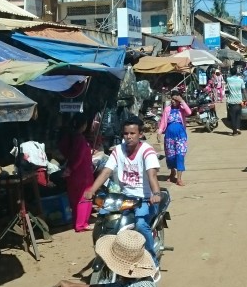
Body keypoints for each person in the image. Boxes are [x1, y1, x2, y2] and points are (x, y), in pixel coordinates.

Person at [84, 116, 164, 263]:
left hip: (144, 199)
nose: (129, 137)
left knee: (141, 225)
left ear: (140, 134)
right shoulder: (118, 151)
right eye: (126, 133)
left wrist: (156, 194)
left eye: (132, 133)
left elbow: (152, 175)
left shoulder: (147, 151)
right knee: (103, 219)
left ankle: (152, 261)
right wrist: (92, 190)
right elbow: (106, 171)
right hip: (123, 198)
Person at [59, 115, 95, 232]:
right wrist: (71, 168)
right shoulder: (80, 139)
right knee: (85, 197)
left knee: (74, 199)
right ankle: (81, 224)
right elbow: (79, 157)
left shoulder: (69, 137)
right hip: (82, 173)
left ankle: (76, 222)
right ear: (84, 125)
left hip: (73, 173)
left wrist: (69, 169)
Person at [158, 94, 191, 186]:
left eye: (175, 99)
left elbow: (189, 112)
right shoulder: (167, 109)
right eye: (172, 99)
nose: (173, 101)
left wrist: (182, 101)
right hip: (169, 135)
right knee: (170, 156)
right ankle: (172, 172)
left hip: (181, 135)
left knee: (180, 155)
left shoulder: (182, 108)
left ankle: (179, 179)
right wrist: (159, 132)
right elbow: (163, 121)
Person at [225, 67, 246, 136]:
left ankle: (234, 131)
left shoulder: (228, 79)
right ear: (237, 72)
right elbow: (244, 90)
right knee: (238, 116)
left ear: (230, 72)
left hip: (231, 101)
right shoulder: (240, 80)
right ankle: (237, 128)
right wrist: (245, 99)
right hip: (239, 101)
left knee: (233, 117)